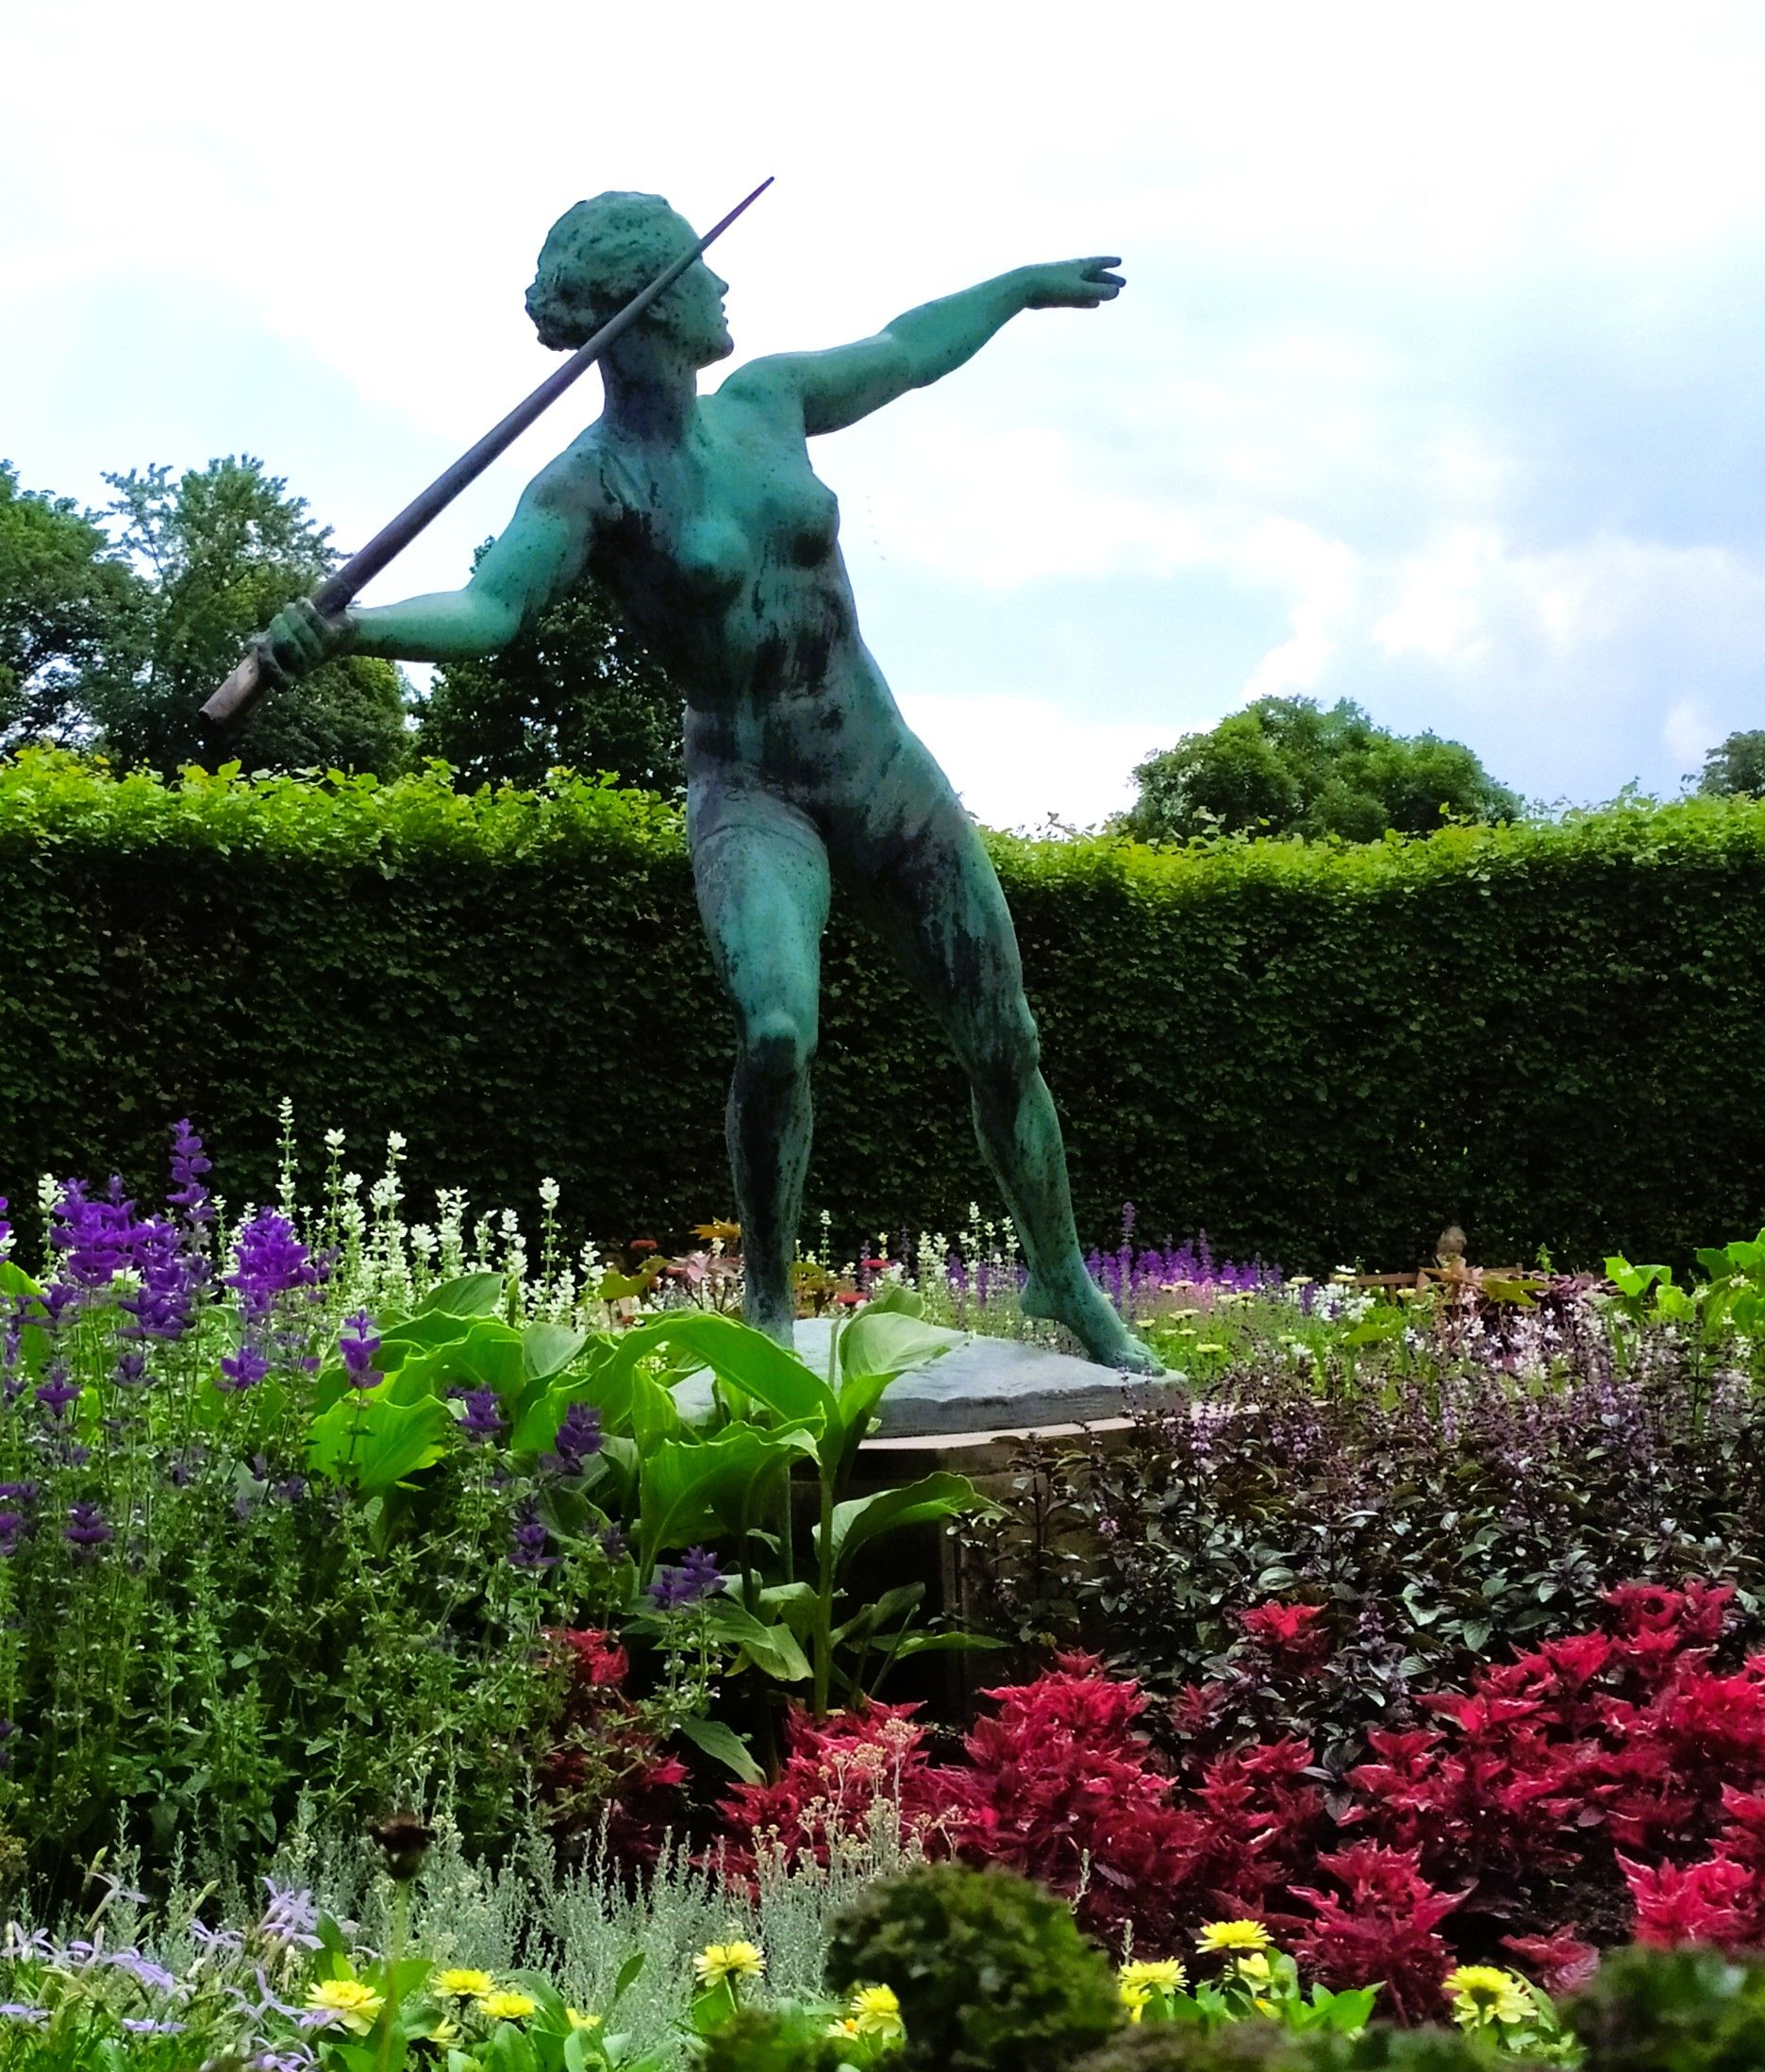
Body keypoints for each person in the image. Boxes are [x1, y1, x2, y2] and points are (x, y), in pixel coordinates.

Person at [260, 190, 1161, 1371]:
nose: (725, 288)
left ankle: (1064, 1279)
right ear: (650, 305)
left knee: (1005, 1035)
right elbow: (491, 609)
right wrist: (349, 630)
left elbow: (905, 350)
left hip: (881, 767)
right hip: (754, 791)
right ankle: (771, 1306)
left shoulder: (771, 401)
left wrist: (1019, 286)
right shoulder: (590, 485)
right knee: (778, 1028)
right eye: (702, 270)